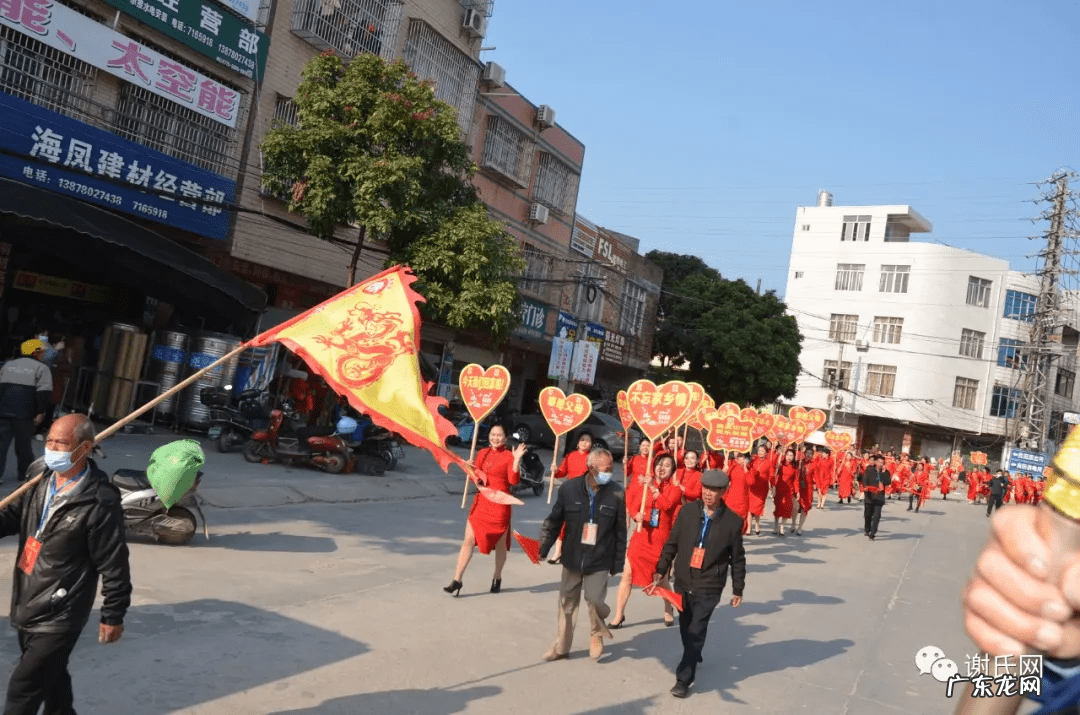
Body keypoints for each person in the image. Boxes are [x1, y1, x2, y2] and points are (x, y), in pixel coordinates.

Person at [0, 413, 131, 714]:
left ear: (84, 449)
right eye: (49, 441)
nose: (52, 448)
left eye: (62, 443)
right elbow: (13, 516)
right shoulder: (39, 477)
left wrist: (113, 613)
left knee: (24, 686)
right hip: (28, 596)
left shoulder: (99, 502)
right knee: (53, 678)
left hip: (62, 610)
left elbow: (114, 562)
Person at [650, 470, 745, 699]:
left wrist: (737, 588)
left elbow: (738, 558)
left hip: (710, 583)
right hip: (684, 578)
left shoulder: (733, 522)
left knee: (696, 628)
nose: (708, 494)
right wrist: (661, 569)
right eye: (705, 489)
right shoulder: (687, 512)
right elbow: (672, 542)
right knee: (686, 624)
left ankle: (684, 678)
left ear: (723, 492)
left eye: (714, 490)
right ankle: (694, 652)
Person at [538, 448, 626, 661]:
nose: (609, 473)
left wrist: (618, 563)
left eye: (611, 469)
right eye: (605, 469)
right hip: (572, 557)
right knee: (567, 604)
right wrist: (543, 547)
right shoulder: (569, 489)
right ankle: (562, 646)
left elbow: (620, 531)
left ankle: (597, 633)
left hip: (600, 557)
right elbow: (554, 520)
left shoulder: (616, 493)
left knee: (595, 600)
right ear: (591, 468)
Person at [444, 424, 526, 596]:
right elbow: (477, 479)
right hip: (482, 502)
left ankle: (497, 576)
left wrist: (517, 460)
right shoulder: (482, 453)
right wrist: (469, 468)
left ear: (505, 438)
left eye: (499, 435)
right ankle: (457, 579)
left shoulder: (509, 456)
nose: (495, 438)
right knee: (468, 540)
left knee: (501, 543)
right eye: (492, 434)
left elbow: (513, 481)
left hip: (500, 504)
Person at [609, 454, 680, 629]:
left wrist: (653, 488)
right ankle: (619, 614)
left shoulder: (675, 489)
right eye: (659, 464)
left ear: (672, 471)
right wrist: (635, 515)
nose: (661, 468)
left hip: (661, 540)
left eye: (667, 465)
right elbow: (633, 504)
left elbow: (667, 506)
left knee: (661, 579)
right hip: (641, 538)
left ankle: (668, 607)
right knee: (627, 574)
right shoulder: (643, 486)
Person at [0, 340, 53, 483]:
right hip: (25, 413)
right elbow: (44, 393)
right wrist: (41, 412)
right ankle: (26, 475)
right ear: (35, 352)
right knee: (23, 446)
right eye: (42, 352)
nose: (44, 354)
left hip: (4, 411)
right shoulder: (42, 369)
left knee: (1, 445)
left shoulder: (8, 365)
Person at [547, 432, 594, 564]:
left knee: (585, 525)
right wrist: (555, 470)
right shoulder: (570, 456)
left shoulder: (594, 458)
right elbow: (562, 472)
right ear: (577, 442)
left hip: (587, 495)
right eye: (582, 440)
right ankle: (558, 552)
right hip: (570, 494)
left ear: (591, 444)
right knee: (563, 523)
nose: (585, 442)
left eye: (588, 440)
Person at [860, 454, 890, 540]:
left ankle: (873, 533)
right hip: (869, 496)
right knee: (868, 514)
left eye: (882, 462)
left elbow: (888, 482)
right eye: (879, 462)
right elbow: (865, 479)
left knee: (877, 516)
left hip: (879, 497)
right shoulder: (869, 470)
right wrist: (866, 487)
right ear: (876, 462)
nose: (880, 464)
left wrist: (884, 474)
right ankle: (867, 529)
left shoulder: (885, 472)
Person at [772, 448, 797, 536]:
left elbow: (795, 480)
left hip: (789, 490)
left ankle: (782, 527)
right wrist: (777, 466)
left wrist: (797, 492)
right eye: (788, 455)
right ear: (785, 455)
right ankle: (776, 525)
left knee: (787, 509)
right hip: (779, 488)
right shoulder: (780, 464)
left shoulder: (795, 467)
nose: (789, 457)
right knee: (778, 508)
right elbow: (773, 473)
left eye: (791, 455)